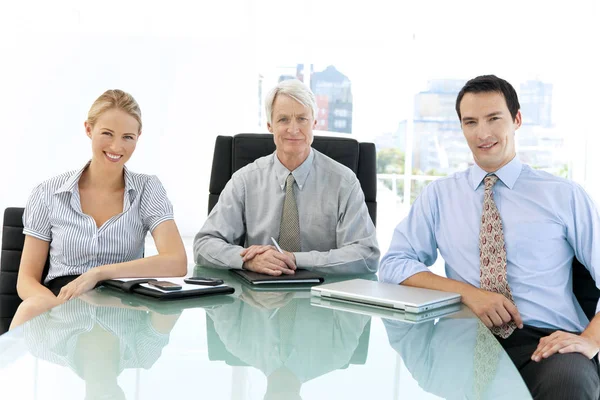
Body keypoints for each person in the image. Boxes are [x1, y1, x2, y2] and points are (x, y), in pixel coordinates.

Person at [379, 75, 600, 399]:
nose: (482, 133)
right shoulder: (439, 196)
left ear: (516, 119)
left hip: (547, 341)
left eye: (493, 119)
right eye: (470, 122)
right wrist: (469, 293)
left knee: (570, 384)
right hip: (465, 335)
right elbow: (394, 264)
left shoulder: (563, 195)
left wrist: (591, 340)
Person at [10, 89, 187, 329]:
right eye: (107, 133)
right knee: (29, 308)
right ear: (88, 129)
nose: (117, 146)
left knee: (166, 316)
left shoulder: (148, 189)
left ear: (138, 137)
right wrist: (54, 308)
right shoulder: (47, 193)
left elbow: (177, 262)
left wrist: (99, 273)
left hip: (121, 308)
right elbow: (26, 280)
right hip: (61, 304)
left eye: (128, 137)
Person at [194, 79, 379, 276]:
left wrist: (294, 259)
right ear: (270, 126)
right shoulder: (244, 181)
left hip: (323, 293)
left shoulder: (344, 182)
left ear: (314, 123)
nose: (293, 129)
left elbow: (366, 255)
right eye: (283, 119)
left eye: (302, 119)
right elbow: (204, 245)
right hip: (258, 297)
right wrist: (248, 260)